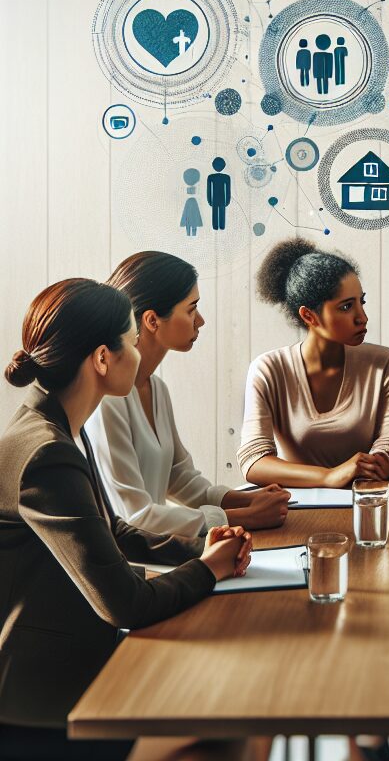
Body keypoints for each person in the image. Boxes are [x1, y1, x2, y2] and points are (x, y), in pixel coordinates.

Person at [0, 278, 251, 759]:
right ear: (102, 359)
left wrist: (203, 547)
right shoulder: (46, 453)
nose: (139, 354)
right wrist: (210, 569)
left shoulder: (56, 427)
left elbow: (110, 531)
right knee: (234, 726)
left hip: (79, 661)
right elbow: (125, 603)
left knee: (236, 707)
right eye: (133, 342)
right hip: (42, 701)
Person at [85, 252, 291, 538]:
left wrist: (245, 499)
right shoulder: (107, 401)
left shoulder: (157, 389)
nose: (201, 321)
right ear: (152, 320)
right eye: (192, 309)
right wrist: (242, 517)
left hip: (161, 552)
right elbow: (133, 516)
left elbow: (178, 476)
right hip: (130, 565)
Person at [238, 238, 389, 487]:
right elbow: (253, 461)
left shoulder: (384, 364)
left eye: (362, 302)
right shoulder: (268, 370)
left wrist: (374, 464)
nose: (362, 317)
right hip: (296, 509)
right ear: (309, 315)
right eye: (346, 306)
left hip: (367, 499)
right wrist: (329, 476)